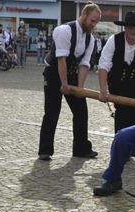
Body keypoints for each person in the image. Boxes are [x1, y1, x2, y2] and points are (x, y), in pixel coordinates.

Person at [37, 1, 101, 161]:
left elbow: (84, 64)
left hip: (71, 74)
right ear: (84, 15)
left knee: (81, 111)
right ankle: (45, 150)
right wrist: (64, 84)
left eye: (96, 22)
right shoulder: (64, 30)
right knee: (52, 111)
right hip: (53, 74)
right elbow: (61, 60)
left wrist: (79, 88)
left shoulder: (90, 39)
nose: (93, 25)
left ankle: (81, 148)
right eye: (92, 21)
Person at [97, 11, 135, 133]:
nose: (133, 31)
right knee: (122, 115)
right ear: (125, 28)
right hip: (117, 85)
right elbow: (103, 65)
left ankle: (130, 148)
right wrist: (103, 91)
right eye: (130, 28)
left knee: (134, 116)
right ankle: (120, 147)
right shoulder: (114, 40)